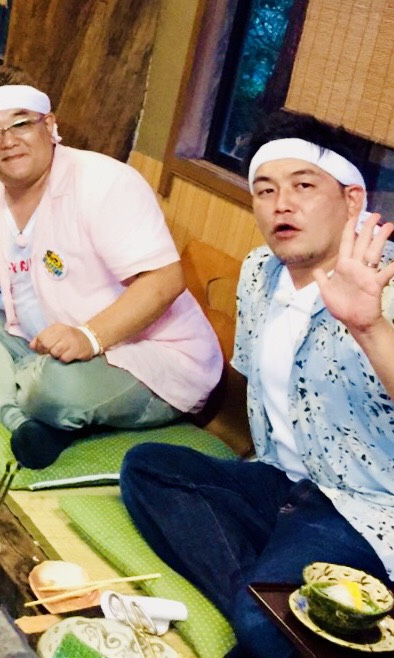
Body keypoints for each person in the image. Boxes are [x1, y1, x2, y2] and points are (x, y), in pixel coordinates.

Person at [120, 111, 394, 658]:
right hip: (276, 480)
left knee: (261, 623)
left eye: (303, 186)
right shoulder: (260, 271)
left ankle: (270, 613)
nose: (280, 204)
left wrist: (369, 326)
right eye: (265, 190)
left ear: (352, 201)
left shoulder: (383, 281)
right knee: (147, 467)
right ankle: (277, 608)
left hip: (363, 507)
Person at [0, 68, 222, 468]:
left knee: (51, 388)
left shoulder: (104, 182)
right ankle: (24, 423)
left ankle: (36, 398)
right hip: (46, 346)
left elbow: (165, 280)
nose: (8, 140)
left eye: (21, 123)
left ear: (50, 125)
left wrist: (89, 337)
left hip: (152, 359)